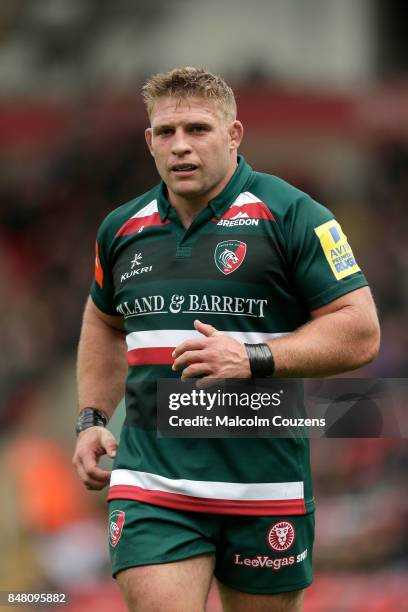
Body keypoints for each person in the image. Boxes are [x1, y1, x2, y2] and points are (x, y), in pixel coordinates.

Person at [72, 67, 380, 612]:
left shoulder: (295, 216)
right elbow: (102, 321)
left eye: (197, 129)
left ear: (234, 134)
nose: (181, 147)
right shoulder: (121, 229)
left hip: (264, 483)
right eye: (166, 133)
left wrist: (253, 356)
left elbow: (359, 331)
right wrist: (93, 418)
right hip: (153, 480)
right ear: (149, 141)